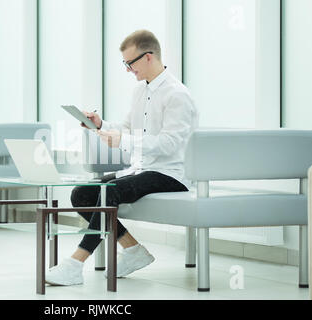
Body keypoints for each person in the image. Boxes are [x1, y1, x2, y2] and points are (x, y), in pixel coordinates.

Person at [46, 29, 199, 286]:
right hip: (143, 169)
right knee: (81, 194)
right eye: (125, 64)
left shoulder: (177, 95)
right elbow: (127, 128)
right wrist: (100, 123)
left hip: (172, 174)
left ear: (148, 57)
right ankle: (133, 250)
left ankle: (75, 263)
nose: (128, 69)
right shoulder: (140, 91)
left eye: (130, 63)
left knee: (108, 191)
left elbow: (171, 143)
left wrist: (124, 141)